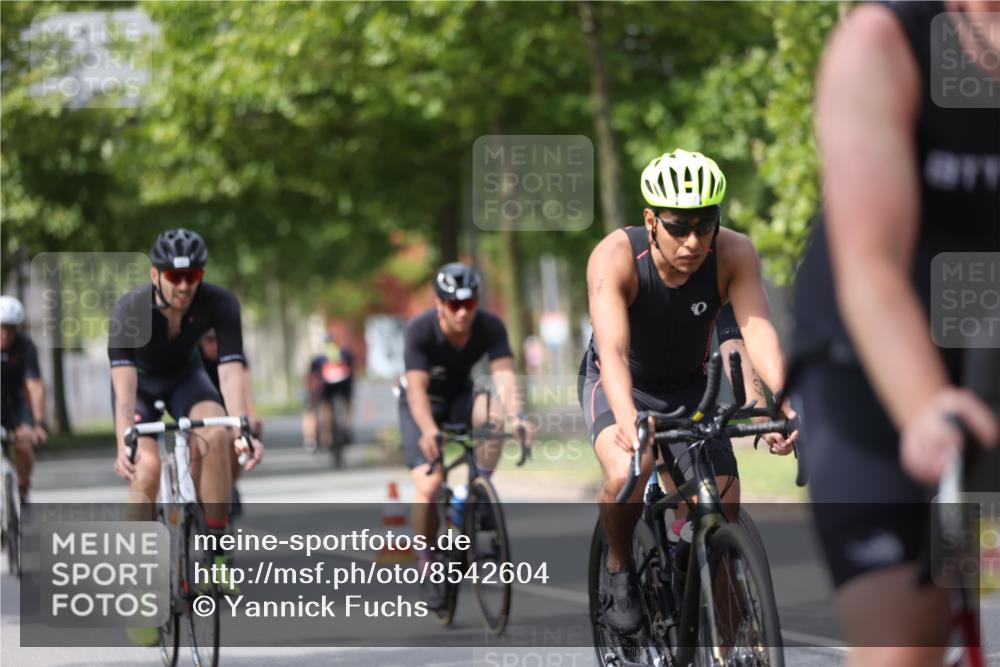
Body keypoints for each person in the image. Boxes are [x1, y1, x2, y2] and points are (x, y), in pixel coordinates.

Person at [788, 2, 999, 663]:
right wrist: (924, 408)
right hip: (870, 363)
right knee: (905, 639)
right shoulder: (882, 43)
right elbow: (872, 269)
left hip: (987, 346)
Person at [581, 149, 797, 633]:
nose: (693, 241)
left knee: (722, 501)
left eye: (706, 225)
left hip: (688, 387)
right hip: (618, 383)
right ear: (651, 220)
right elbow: (612, 353)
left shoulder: (734, 253)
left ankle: (726, 640)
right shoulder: (615, 257)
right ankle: (619, 567)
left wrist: (781, 401)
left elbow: (757, 331)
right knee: (627, 466)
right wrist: (627, 420)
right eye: (679, 227)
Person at [108, 229, 264, 644]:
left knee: (217, 431)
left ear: (202, 273)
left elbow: (230, 371)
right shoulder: (130, 309)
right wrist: (124, 437)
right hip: (140, 386)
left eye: (192, 275)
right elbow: (122, 388)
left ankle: (215, 546)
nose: (183, 285)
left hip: (186, 380)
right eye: (173, 276)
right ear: (155, 274)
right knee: (148, 470)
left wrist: (241, 428)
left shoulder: (220, 302)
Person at [398, 262, 529, 608]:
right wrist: (428, 431)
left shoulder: (489, 326)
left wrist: (518, 417)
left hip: (460, 396)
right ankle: (426, 564)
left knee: (495, 418)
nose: (461, 313)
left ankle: (478, 488)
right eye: (453, 305)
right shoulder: (420, 330)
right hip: (423, 404)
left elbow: (504, 378)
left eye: (468, 304)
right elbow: (415, 391)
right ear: (439, 303)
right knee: (428, 485)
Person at [199, 328, 261, 517]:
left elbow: (244, 386)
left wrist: (250, 415)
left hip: (230, 405)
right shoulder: (194, 358)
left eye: (217, 340)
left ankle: (230, 485)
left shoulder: (232, 354)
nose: (214, 345)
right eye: (209, 340)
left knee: (233, 439)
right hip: (201, 405)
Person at [0, 295, 48, 502]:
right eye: (1, 327)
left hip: (17, 400)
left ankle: (23, 488)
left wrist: (37, 423)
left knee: (24, 445)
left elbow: (34, 385)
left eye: (10, 328)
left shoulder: (25, 346)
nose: (4, 333)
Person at [302, 334, 354, 454]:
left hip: (327, 386)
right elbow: (351, 372)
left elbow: (311, 375)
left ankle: (327, 436)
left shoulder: (320, 356)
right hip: (344, 384)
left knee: (326, 406)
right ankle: (346, 427)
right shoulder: (344, 353)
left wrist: (311, 392)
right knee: (347, 403)